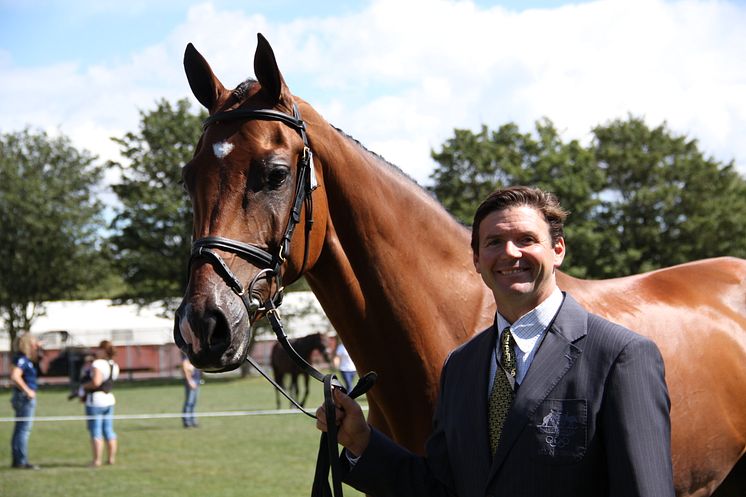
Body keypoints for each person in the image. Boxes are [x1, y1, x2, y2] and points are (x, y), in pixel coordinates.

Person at [316, 186, 675, 497]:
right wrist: (362, 441)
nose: (510, 252)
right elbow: (440, 488)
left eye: (527, 239)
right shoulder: (460, 366)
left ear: (558, 250)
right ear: (476, 260)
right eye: (494, 242)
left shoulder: (620, 356)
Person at [82, 340, 119, 467]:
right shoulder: (114, 364)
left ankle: (96, 460)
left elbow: (96, 382)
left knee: (96, 431)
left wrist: (83, 387)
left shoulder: (98, 363)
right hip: (109, 399)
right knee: (109, 430)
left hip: (96, 401)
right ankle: (111, 459)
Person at [9, 333, 41, 470]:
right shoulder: (22, 359)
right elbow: (15, 376)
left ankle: (17, 460)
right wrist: (27, 390)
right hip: (24, 398)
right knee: (23, 430)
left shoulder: (22, 358)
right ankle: (21, 461)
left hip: (20, 397)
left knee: (19, 429)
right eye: (33, 343)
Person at [181, 353, 202, 428]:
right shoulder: (186, 352)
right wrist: (189, 380)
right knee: (189, 402)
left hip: (197, 379)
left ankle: (193, 421)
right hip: (192, 380)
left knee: (194, 402)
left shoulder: (195, 351)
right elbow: (185, 366)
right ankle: (187, 421)